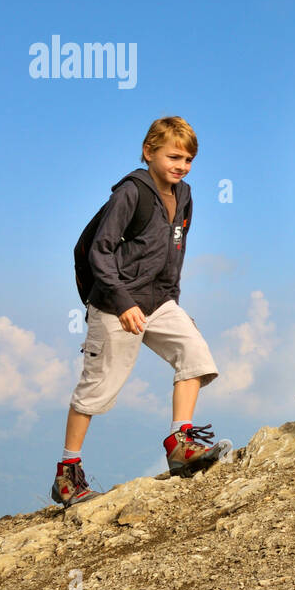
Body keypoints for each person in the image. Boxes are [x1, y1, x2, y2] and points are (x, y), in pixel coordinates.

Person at [52, 116, 229, 507]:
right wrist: (123, 302)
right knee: (97, 389)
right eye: (173, 156)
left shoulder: (184, 195)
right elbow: (100, 251)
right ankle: (67, 474)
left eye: (188, 159)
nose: (181, 165)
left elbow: (174, 254)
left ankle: (180, 443)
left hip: (159, 299)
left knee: (196, 357)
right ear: (149, 152)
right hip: (116, 304)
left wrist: (174, 307)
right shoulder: (130, 193)